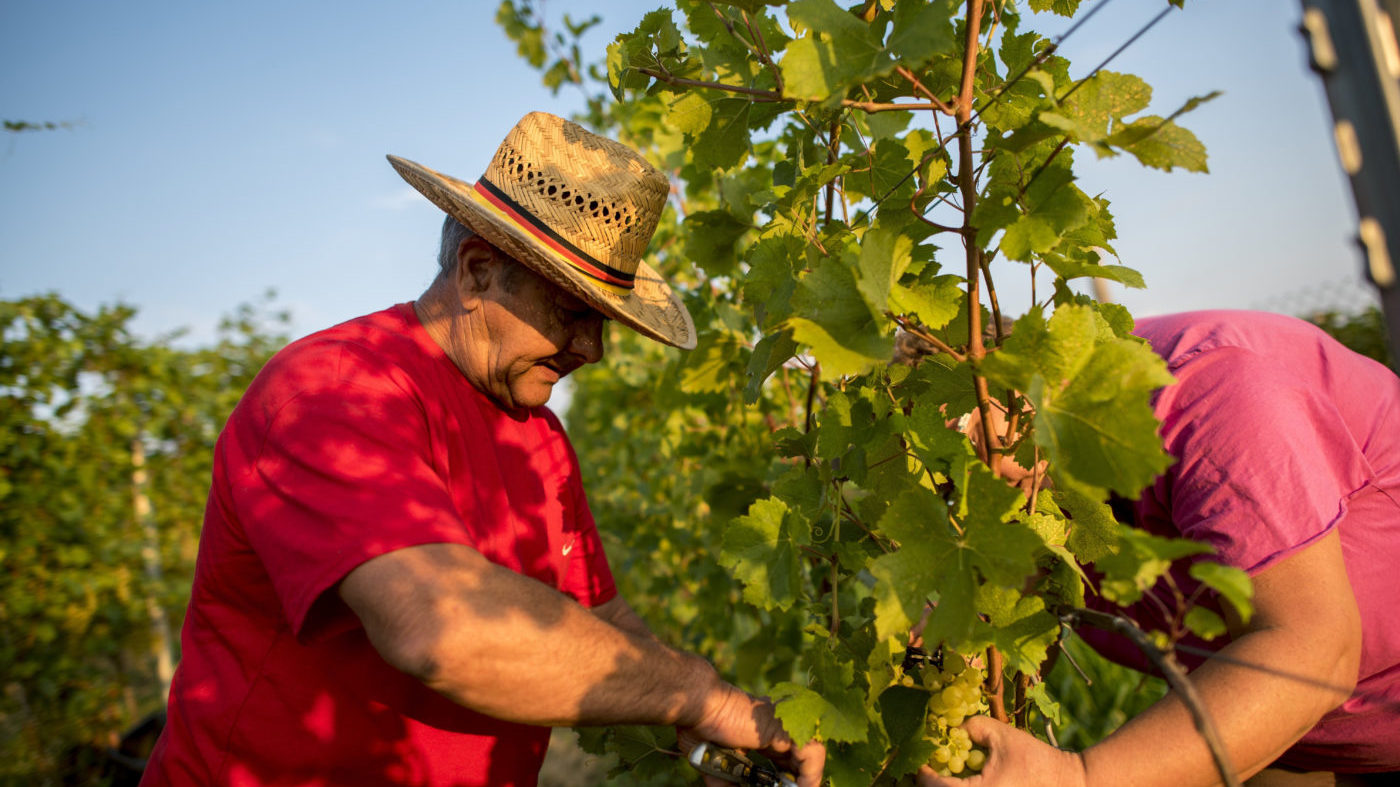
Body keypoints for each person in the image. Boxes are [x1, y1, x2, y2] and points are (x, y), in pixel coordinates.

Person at [139, 112, 824, 787]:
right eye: (574, 312)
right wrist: (701, 696)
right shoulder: (335, 392)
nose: (592, 349)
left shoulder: (539, 436)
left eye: (604, 323)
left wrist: (726, 729)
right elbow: (437, 627)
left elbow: (599, 621)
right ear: (476, 271)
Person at [916, 310, 1400, 786]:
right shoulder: (1033, 500)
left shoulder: (1205, 393)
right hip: (1300, 743)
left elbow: (1315, 647)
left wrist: (1081, 779)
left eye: (971, 434)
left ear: (1013, 368)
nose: (972, 485)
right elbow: (1001, 622)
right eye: (944, 478)